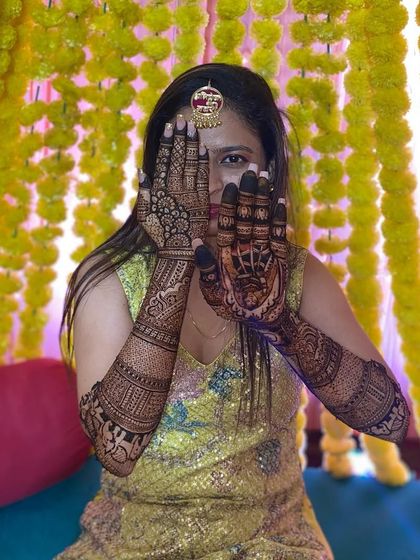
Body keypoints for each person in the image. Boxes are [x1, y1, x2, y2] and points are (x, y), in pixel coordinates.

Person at [57, 63, 410, 560]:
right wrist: (177, 262)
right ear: (155, 176)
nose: (208, 183)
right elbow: (118, 450)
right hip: (133, 540)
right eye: (187, 160)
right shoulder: (109, 277)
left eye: (234, 158)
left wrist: (276, 320)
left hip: (274, 539)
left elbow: (391, 421)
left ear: (271, 169)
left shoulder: (296, 275)